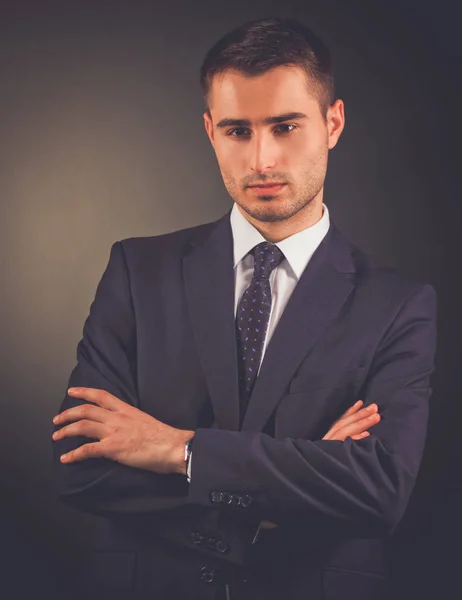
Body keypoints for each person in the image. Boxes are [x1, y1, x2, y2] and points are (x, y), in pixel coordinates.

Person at [51, 16, 437, 600]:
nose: (261, 159)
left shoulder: (398, 305)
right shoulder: (137, 271)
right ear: (210, 131)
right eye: (237, 131)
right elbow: (81, 462)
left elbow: (378, 492)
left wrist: (176, 450)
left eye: (285, 126)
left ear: (332, 123)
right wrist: (291, 486)